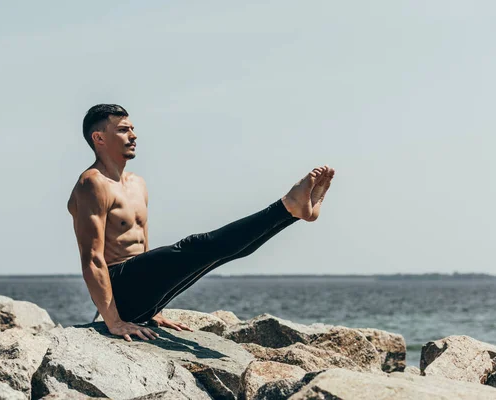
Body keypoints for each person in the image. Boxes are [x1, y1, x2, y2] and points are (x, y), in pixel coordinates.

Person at [67, 104, 335, 342]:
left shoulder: (137, 184)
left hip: (142, 295)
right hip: (118, 291)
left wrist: (155, 309)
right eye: (124, 130)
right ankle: (286, 205)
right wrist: (113, 321)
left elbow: (143, 252)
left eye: (133, 129)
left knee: (222, 254)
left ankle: (292, 213)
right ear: (99, 138)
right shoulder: (92, 183)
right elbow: (92, 258)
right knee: (197, 246)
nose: (134, 136)